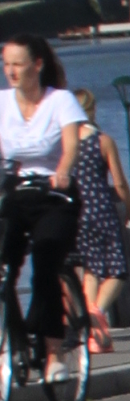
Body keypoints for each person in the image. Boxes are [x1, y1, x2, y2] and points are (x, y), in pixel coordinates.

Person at [0, 30, 83, 377]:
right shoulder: (2, 104)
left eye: (19, 64)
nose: (12, 72)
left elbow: (71, 144)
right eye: (6, 65)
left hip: (54, 196)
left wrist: (62, 171)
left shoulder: (60, 100)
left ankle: (53, 353)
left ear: (38, 64)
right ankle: (16, 342)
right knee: (3, 267)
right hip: (17, 196)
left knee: (46, 260)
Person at [69, 87, 130, 349]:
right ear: (92, 110)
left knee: (90, 271)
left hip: (74, 214)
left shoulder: (65, 145)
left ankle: (94, 338)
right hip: (101, 210)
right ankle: (96, 313)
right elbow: (119, 183)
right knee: (117, 270)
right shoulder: (102, 141)